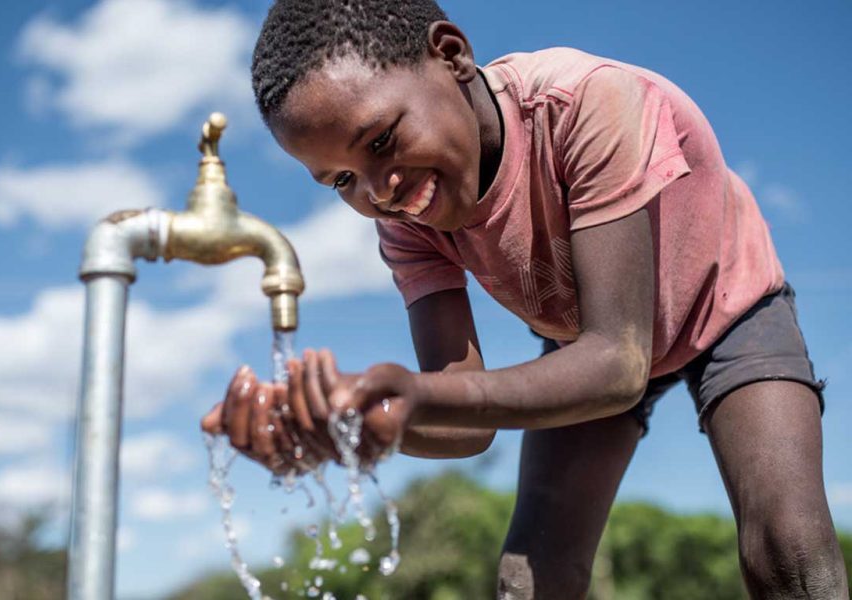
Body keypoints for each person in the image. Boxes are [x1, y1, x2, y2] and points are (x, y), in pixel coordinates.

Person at [200, 1, 849, 597]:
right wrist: (348, 427)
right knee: (527, 580)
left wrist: (411, 394)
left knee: (787, 549)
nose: (381, 192)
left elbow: (618, 365)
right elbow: (467, 423)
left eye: (381, 142)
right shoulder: (406, 222)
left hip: (723, 303)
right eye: (343, 179)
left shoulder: (588, 104)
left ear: (452, 56)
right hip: (581, 343)